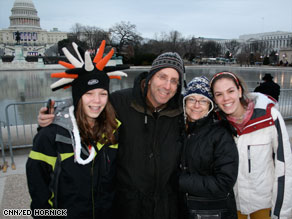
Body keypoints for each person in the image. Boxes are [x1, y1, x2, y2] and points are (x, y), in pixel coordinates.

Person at [37, 51, 185, 219]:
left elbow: (206, 115)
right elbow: (87, 103)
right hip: (127, 205)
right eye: (162, 77)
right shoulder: (120, 101)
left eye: (174, 81)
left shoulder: (183, 108)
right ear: (150, 77)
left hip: (166, 206)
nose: (167, 86)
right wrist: (52, 117)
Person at [26, 41, 127, 218]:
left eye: (102, 94)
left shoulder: (113, 130)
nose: (97, 101)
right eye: (89, 93)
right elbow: (39, 191)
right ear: (77, 97)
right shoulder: (51, 136)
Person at [210, 71, 292, 219]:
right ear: (215, 99)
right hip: (233, 205)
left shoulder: (269, 117)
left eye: (230, 91)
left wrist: (282, 213)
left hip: (264, 204)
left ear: (239, 90)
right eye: (219, 94)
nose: (226, 98)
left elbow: (284, 167)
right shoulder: (216, 125)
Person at [179, 76, 238, 219]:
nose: (196, 105)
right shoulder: (179, 130)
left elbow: (224, 181)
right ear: (185, 102)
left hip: (211, 212)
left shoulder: (220, 134)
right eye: (192, 99)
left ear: (210, 105)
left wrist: (180, 181)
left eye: (203, 101)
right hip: (182, 208)